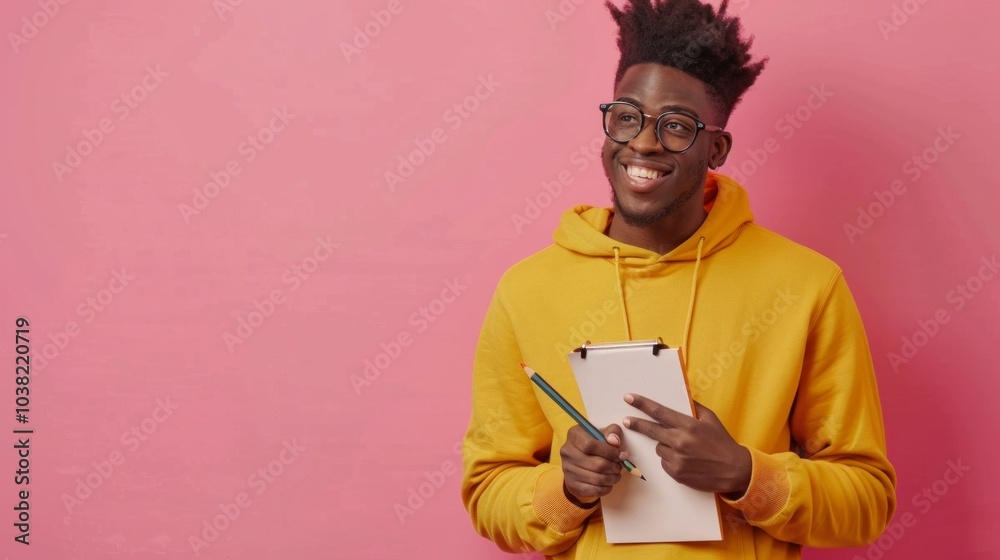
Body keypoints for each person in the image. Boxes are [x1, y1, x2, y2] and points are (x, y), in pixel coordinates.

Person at [460, 0, 897, 558]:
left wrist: (745, 474)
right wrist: (564, 490)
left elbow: (867, 502)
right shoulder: (526, 291)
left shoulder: (808, 285)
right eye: (626, 115)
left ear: (716, 148)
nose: (642, 143)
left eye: (676, 126)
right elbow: (487, 491)